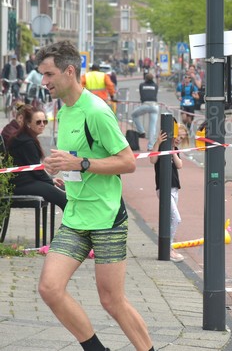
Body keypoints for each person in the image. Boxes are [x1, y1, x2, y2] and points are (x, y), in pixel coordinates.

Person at [36, 41, 155, 351]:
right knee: (49, 288)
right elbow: (75, 159)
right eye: (42, 75)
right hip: (76, 215)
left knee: (112, 301)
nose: (44, 82)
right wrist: (61, 170)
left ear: (69, 71)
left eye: (49, 75)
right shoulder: (63, 110)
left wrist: (81, 164)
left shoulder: (97, 111)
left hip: (106, 217)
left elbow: (128, 162)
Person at [5, 104, 67, 211]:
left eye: (45, 121)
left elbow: (36, 169)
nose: (42, 125)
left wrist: (51, 180)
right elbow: (37, 171)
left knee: (64, 188)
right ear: (28, 123)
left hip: (24, 181)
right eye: (38, 122)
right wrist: (51, 181)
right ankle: (71, 225)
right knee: (63, 198)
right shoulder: (26, 141)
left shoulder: (25, 137)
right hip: (19, 184)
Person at [149, 125, 190, 263]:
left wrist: (173, 152)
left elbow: (179, 165)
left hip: (174, 188)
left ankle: (168, 247)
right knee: (176, 218)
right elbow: (152, 160)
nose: (179, 139)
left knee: (170, 219)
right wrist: (158, 142)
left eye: (182, 137)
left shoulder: (175, 150)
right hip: (163, 188)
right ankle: (168, 248)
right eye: (178, 135)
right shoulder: (161, 148)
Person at [131, 73, 160, 151]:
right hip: (154, 106)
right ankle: (150, 146)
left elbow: (142, 95)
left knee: (134, 115)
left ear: (145, 79)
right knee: (152, 127)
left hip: (145, 105)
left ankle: (141, 131)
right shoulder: (155, 86)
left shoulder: (141, 85)